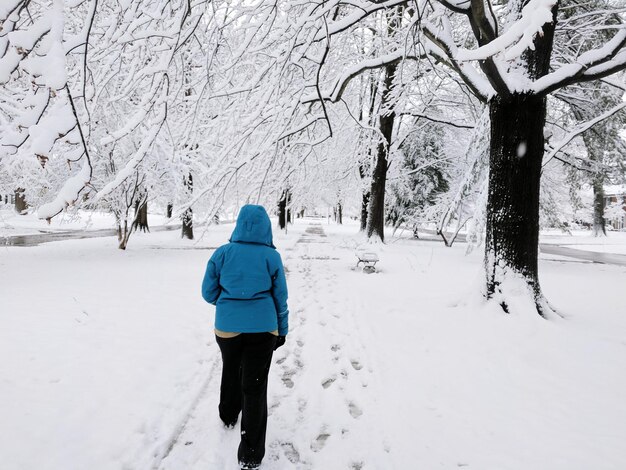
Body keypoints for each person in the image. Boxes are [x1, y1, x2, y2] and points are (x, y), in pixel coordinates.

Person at [201, 204, 289, 470]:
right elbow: (280, 299)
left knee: (231, 368)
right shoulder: (271, 258)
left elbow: (208, 292)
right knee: (255, 385)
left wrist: (229, 305)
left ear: (238, 224)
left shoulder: (222, 254)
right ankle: (250, 454)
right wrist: (282, 330)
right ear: (266, 227)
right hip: (263, 329)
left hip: (227, 328)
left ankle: (228, 415)